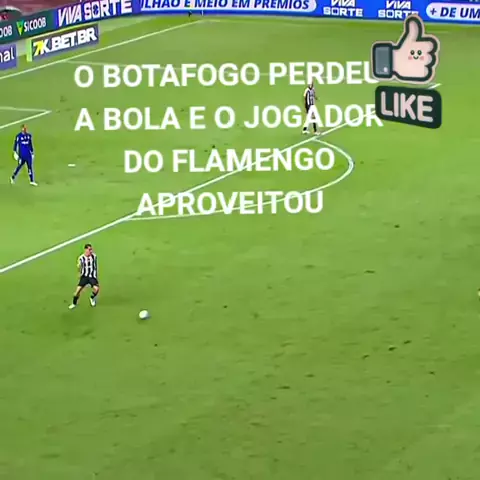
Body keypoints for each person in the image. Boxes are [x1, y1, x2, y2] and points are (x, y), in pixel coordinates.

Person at [69, 243, 100, 309]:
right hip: (84, 277)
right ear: (85, 250)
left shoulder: (94, 256)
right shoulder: (81, 258)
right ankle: (74, 303)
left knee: (96, 289)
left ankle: (92, 298)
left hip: (92, 276)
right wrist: (79, 272)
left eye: (91, 249)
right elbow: (79, 266)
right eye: (89, 249)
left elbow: (94, 266)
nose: (91, 251)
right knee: (77, 292)